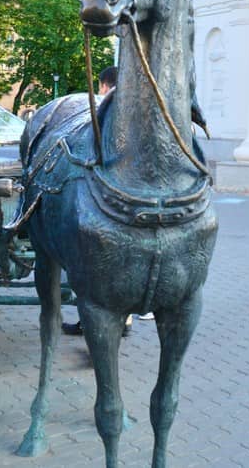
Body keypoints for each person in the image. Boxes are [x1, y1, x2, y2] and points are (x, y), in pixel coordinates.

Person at [63, 66, 139, 337]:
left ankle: (94, 323)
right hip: (131, 201)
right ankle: (125, 319)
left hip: (103, 197)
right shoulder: (138, 109)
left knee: (95, 266)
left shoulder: (105, 109)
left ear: (104, 86)